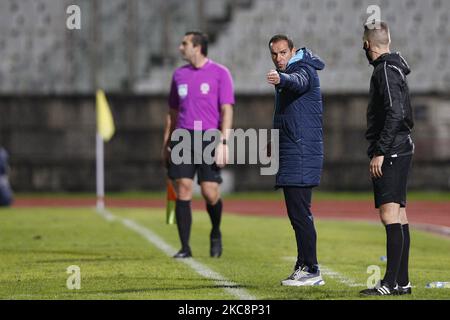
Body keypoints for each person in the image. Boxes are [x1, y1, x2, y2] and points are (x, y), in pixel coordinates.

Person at [162, 31, 234, 258]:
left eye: (184, 43)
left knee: (209, 192)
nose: (180, 47)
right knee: (182, 188)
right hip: (183, 137)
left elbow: (227, 110)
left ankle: (215, 232)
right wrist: (166, 141)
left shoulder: (220, 73)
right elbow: (172, 112)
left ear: (198, 47)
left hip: (209, 137)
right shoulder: (178, 75)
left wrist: (224, 142)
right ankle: (185, 247)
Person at [359, 21, 414, 296]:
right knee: (400, 215)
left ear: (367, 44)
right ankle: (402, 282)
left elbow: (395, 112)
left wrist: (380, 151)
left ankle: (390, 283)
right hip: (400, 146)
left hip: (392, 148)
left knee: (389, 215)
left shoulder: (384, 70)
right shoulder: (395, 66)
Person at [266, 34, 325, 286]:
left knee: (300, 213)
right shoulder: (296, 68)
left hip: (300, 151)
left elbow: (297, 82)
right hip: (293, 149)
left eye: (282, 53)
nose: (279, 58)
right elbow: (286, 110)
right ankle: (303, 265)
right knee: (297, 213)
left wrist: (282, 78)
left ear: (292, 51)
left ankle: (311, 269)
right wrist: (274, 138)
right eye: (274, 54)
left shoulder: (303, 70)